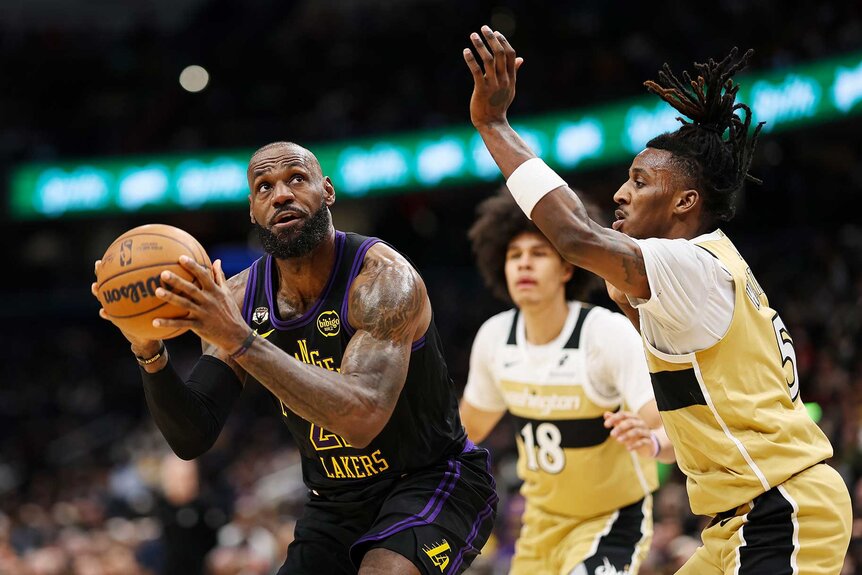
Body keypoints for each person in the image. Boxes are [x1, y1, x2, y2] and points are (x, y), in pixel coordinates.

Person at [462, 26, 851, 574]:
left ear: (685, 202)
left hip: (781, 509)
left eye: (640, 182)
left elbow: (574, 236)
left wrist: (494, 126)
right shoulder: (689, 280)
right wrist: (661, 435)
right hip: (735, 523)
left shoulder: (689, 264)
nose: (620, 193)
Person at [91, 141, 497, 575]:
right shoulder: (241, 298)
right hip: (336, 502)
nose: (280, 194)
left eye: (296, 179)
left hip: (432, 480)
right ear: (252, 210)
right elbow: (192, 436)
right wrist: (147, 349)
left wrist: (240, 338)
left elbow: (363, 416)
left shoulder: (383, 278)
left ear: (327, 192)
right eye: (263, 187)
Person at [460, 188, 675, 574]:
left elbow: (676, 430)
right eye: (514, 255)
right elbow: (464, 434)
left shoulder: (605, 334)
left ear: (566, 268)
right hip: (540, 525)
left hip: (610, 521)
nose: (524, 265)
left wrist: (653, 441)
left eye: (538, 254)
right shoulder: (494, 337)